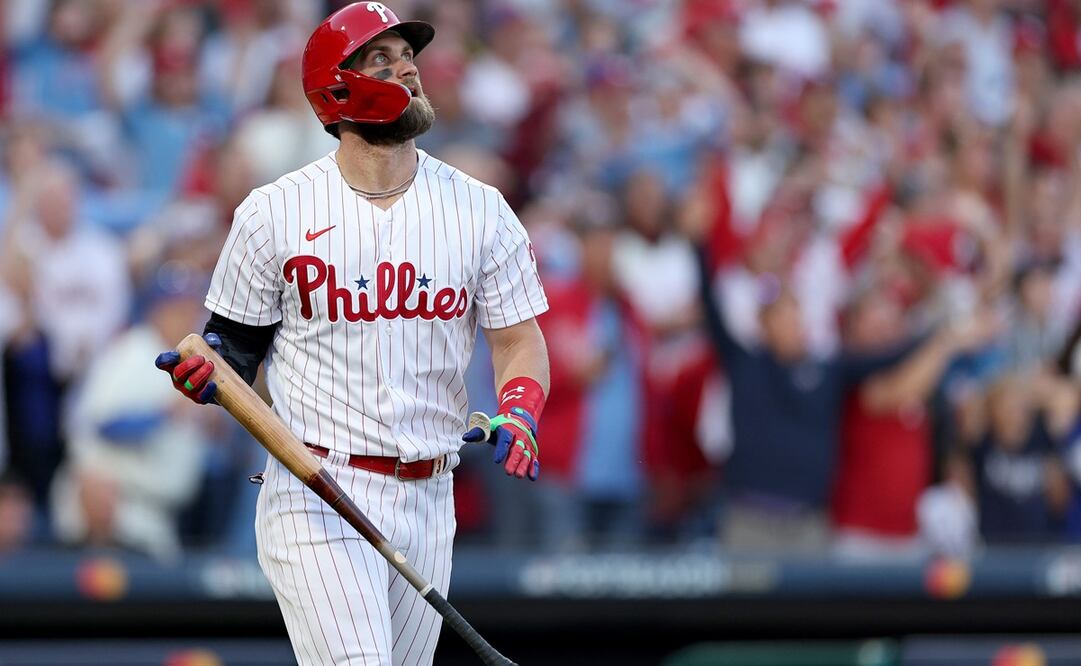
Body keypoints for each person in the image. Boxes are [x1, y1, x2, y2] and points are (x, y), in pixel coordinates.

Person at [154, 4, 550, 665]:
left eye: (409, 57)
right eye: (381, 59)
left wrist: (522, 406)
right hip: (319, 485)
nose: (407, 70)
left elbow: (518, 338)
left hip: (429, 491)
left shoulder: (481, 209)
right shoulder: (274, 211)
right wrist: (208, 373)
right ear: (335, 88)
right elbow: (232, 346)